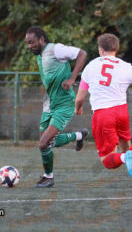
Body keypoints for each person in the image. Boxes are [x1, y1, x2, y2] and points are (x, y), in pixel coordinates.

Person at [75, 33, 132, 192]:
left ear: (100, 49)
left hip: (103, 114)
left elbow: (80, 98)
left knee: (106, 160)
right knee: (128, 147)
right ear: (116, 49)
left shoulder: (91, 66)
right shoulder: (125, 66)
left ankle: (124, 158)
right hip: (121, 112)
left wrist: (78, 108)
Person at [24, 26, 89, 188]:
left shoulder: (56, 49)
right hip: (49, 103)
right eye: (27, 43)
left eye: (31, 42)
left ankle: (48, 177)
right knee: (47, 142)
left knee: (44, 144)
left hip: (64, 104)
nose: (29, 46)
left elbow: (82, 54)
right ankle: (79, 136)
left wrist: (73, 78)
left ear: (41, 39)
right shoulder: (40, 56)